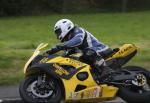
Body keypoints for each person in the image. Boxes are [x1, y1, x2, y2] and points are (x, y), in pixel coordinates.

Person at [47, 19, 114, 81]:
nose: (58, 34)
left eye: (58, 32)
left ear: (65, 27)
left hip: (101, 49)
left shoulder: (77, 30)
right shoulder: (70, 39)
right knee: (78, 60)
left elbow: (78, 40)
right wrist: (53, 54)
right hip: (92, 54)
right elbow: (67, 53)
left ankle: (106, 69)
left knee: (88, 52)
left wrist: (59, 47)